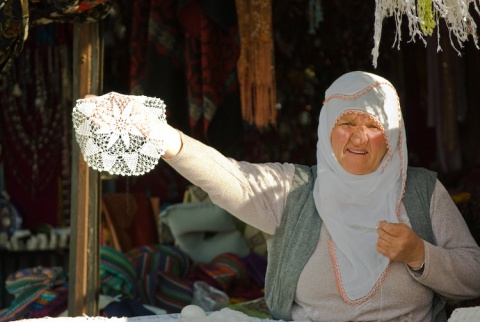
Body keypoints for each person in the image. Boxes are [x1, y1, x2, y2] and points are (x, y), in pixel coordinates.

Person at [85, 71, 480, 321]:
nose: (359, 137)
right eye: (346, 122)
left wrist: (419, 254)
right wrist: (165, 139)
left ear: (393, 135)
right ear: (326, 127)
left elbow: (474, 277)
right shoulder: (295, 191)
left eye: (373, 125)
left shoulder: (424, 190)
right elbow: (231, 179)